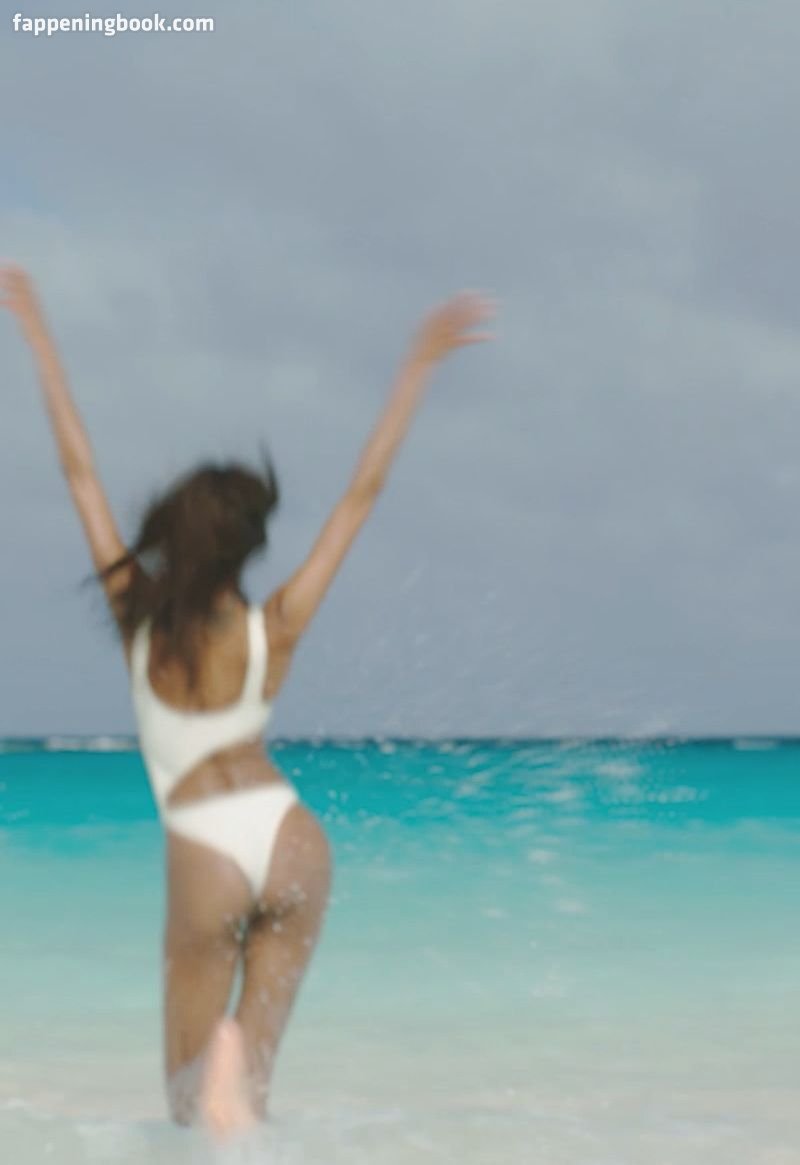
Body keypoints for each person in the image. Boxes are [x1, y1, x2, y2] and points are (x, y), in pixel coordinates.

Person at [0, 264, 495, 1138]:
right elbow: (360, 498)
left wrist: (36, 333)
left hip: (206, 849)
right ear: (249, 546)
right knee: (249, 1100)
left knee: (189, 1110)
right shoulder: (278, 624)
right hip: (292, 838)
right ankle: (239, 1072)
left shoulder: (135, 612)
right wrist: (417, 366)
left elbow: (79, 473)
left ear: (173, 536)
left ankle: (215, 1078)